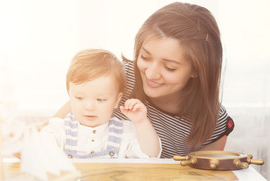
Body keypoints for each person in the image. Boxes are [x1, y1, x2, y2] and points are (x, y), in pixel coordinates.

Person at [53, 2, 234, 158]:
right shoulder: (119, 78)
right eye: (145, 57)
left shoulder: (214, 121)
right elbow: (71, 109)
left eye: (169, 67)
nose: (151, 74)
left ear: (197, 69)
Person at [41, 49, 161, 159]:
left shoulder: (124, 132)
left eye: (100, 99)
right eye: (79, 98)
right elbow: (38, 152)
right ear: (70, 96)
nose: (89, 107)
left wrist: (141, 122)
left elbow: (151, 155)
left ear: (116, 100)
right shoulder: (59, 130)